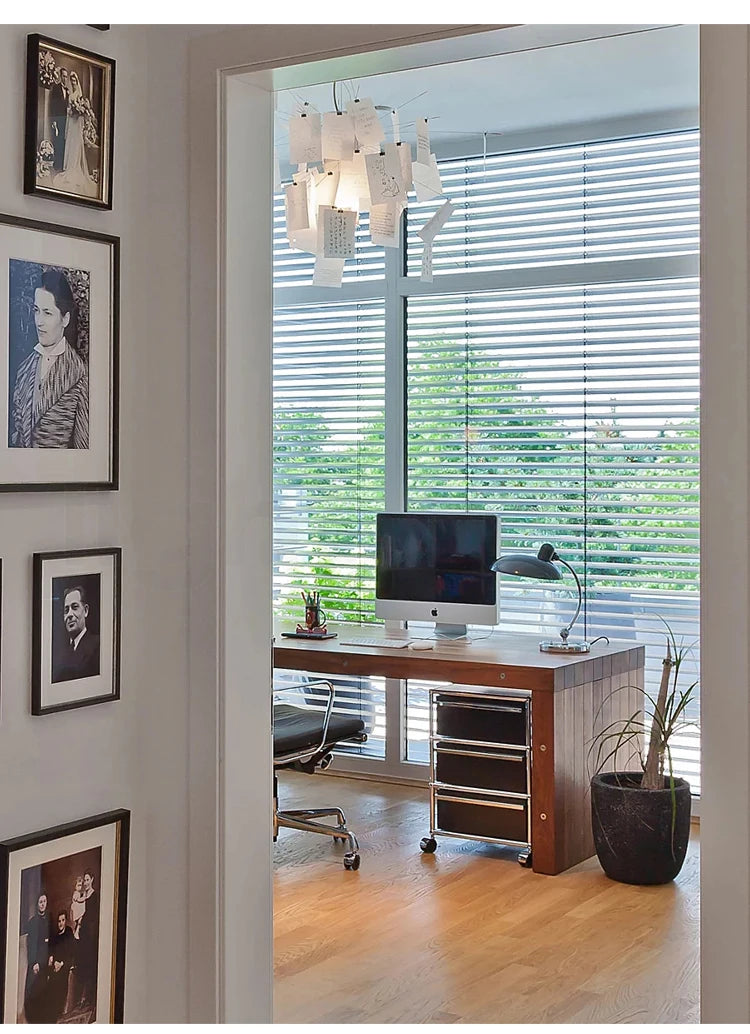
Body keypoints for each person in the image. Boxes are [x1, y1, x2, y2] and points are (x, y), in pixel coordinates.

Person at [10, 269, 89, 450]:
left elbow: (83, 450)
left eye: (47, 313)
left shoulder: (79, 375)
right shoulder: (24, 369)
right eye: (36, 311)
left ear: (65, 319)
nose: (39, 321)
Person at [52, 70, 97, 199]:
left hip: (77, 124)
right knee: (70, 145)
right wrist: (72, 111)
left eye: (74, 80)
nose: (72, 82)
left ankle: (75, 167)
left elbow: (84, 113)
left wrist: (79, 111)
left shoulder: (80, 96)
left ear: (77, 81)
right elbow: (68, 110)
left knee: (76, 146)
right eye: (71, 80)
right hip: (71, 122)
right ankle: (69, 167)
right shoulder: (69, 93)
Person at [53, 585, 100, 683]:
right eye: (66, 610)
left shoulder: (98, 645)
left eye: (74, 607)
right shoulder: (58, 653)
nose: (69, 614)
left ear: (86, 611)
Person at [23, 892, 50, 1023]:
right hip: (35, 963)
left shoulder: (48, 920)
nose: (43, 904)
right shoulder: (33, 922)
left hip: (45, 962)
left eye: (44, 901)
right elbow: (32, 944)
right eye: (40, 902)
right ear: (37, 904)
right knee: (33, 991)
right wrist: (34, 962)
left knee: (43, 991)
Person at [47, 910, 76, 1022]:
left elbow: (71, 952)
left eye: (63, 920)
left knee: (60, 981)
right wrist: (52, 958)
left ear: (66, 921)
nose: (60, 923)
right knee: (51, 980)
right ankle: (52, 1012)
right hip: (55, 965)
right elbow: (51, 950)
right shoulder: (55, 935)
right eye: (59, 921)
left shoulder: (68, 933)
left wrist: (62, 963)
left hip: (65, 963)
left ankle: (58, 1012)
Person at [76, 872, 99, 1011]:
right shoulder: (83, 896)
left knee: (90, 963)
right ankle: (82, 998)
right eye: (84, 880)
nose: (85, 882)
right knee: (82, 963)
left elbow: (93, 915)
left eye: (87, 879)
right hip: (83, 933)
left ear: (92, 880)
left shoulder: (94, 896)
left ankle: (88, 997)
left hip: (91, 933)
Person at [48, 67, 69, 173]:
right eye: (63, 76)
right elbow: (53, 105)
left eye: (66, 77)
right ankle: (57, 165)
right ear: (60, 76)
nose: (65, 78)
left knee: (64, 141)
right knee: (57, 140)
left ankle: (62, 164)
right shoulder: (56, 88)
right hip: (58, 118)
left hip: (66, 119)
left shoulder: (68, 91)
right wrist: (54, 121)